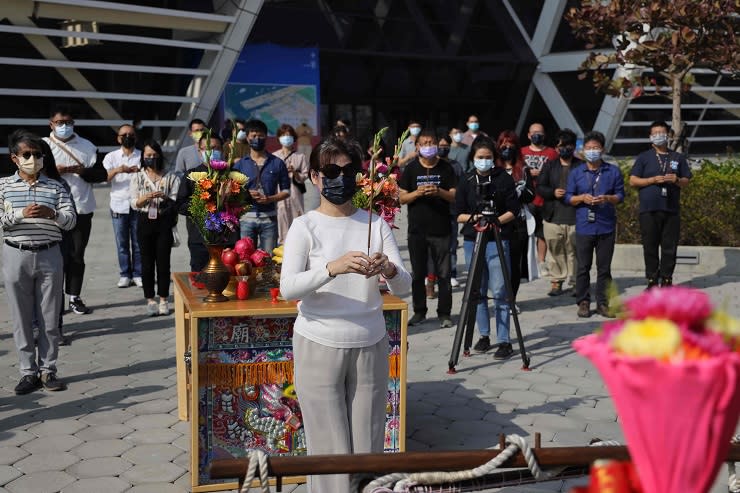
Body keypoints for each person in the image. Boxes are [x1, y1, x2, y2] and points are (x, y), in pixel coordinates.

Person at [280, 136, 411, 493]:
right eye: (331, 171)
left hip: (370, 341)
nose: (340, 177)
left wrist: (388, 269)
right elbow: (288, 288)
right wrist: (331, 268)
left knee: (368, 440)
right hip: (319, 341)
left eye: (348, 170)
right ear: (315, 177)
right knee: (328, 445)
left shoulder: (375, 223)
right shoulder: (304, 226)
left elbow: (404, 288)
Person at [2, 130, 76, 394]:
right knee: (21, 318)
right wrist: (21, 215)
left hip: (49, 254)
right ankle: (27, 372)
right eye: (27, 154)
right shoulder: (3, 186)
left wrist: (53, 214)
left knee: (49, 317)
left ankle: (48, 370)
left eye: (37, 154)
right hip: (15, 254)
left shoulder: (56, 186)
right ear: (15, 158)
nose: (33, 159)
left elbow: (71, 220)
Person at [456, 136, 520, 358]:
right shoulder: (466, 180)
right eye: (480, 157)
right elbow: (458, 214)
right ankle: (483, 335)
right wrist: (475, 219)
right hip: (473, 239)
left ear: (494, 158)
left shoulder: (503, 178)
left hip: (497, 239)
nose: (484, 161)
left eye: (488, 158)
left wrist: (496, 221)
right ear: (473, 158)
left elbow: (514, 209)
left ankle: (504, 340)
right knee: (478, 290)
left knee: (501, 291)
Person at [43, 105, 106, 315]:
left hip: (81, 208)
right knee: (55, 256)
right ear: (51, 124)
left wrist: (82, 171)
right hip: (52, 211)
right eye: (60, 123)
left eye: (68, 122)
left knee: (77, 255)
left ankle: (74, 297)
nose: (64, 126)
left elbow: (101, 174)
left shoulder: (87, 146)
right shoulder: (42, 146)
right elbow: (31, 172)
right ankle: (55, 299)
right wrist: (53, 171)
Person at [399, 130, 457, 328]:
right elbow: (401, 197)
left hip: (441, 229)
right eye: (423, 143)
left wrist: (439, 191)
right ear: (417, 147)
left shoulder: (446, 168)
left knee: (444, 274)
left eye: (431, 142)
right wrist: (417, 193)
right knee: (418, 274)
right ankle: (419, 311)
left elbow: (455, 196)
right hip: (417, 230)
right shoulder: (411, 169)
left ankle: (445, 313)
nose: (428, 146)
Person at [565, 131, 624, 318]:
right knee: (583, 267)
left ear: (603, 149)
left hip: (606, 225)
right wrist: (581, 197)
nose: (592, 151)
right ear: (583, 151)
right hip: (584, 225)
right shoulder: (576, 172)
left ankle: (603, 303)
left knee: (604, 268)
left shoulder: (612, 171)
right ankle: (583, 302)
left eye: (595, 148)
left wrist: (607, 198)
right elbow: (568, 197)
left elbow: (620, 195)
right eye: (588, 148)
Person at [629, 121, 692, 289]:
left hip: (671, 209)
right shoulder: (644, 157)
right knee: (650, 246)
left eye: (662, 132)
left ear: (668, 135)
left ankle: (666, 280)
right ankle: (651, 280)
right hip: (648, 209)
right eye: (655, 133)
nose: (658, 136)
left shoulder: (677, 157)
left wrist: (677, 180)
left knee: (669, 247)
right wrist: (651, 180)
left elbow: (687, 180)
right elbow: (633, 180)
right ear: (650, 137)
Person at [129, 140, 181, 316]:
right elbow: (134, 202)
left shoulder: (171, 176)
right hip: (144, 219)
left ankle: (164, 299)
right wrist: (146, 197)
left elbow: (176, 199)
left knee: (163, 262)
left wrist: (164, 197)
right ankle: (150, 299)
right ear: (143, 157)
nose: (151, 158)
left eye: (154, 155)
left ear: (159, 155)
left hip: (164, 219)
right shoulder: (137, 176)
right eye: (147, 156)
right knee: (146, 262)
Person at [234, 119, 291, 253]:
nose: (257, 138)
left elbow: (286, 191)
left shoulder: (277, 163)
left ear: (266, 137)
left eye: (260, 135)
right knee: (245, 259)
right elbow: (232, 191)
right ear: (247, 138)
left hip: (269, 220)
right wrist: (246, 194)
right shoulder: (240, 164)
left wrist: (270, 199)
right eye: (253, 136)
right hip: (246, 219)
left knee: (268, 260)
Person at [537, 129, 580, 296]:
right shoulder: (549, 165)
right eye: (561, 146)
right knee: (555, 249)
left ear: (574, 147)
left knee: (574, 249)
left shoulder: (581, 165)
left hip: (575, 214)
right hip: (553, 215)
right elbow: (540, 187)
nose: (564, 149)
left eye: (568, 145)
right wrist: (552, 192)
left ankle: (576, 281)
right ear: (556, 147)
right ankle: (557, 281)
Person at [496, 130, 535, 309]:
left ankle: (511, 299)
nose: (507, 148)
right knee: (498, 263)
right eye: (504, 144)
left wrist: (520, 191)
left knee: (514, 263)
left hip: (517, 223)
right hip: (497, 221)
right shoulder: (493, 169)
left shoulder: (523, 170)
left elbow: (531, 195)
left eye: (511, 144)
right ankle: (499, 296)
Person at [103, 124, 143, 288]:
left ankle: (138, 273)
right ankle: (125, 274)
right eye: (124, 134)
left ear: (136, 137)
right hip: (118, 205)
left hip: (138, 204)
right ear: (118, 138)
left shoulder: (141, 155)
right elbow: (105, 177)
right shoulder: (111, 157)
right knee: (122, 244)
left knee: (138, 243)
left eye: (131, 134)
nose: (127, 137)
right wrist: (119, 169)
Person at [520, 122, 559, 278]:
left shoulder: (551, 153)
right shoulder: (521, 152)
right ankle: (525, 262)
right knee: (525, 232)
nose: (537, 135)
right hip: (526, 198)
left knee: (542, 233)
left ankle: (541, 262)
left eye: (540, 133)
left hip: (545, 199)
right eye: (534, 132)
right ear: (529, 135)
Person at [274, 124, 310, 244]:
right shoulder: (274, 156)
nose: (286, 138)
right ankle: (282, 244)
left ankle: (297, 243)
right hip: (279, 192)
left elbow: (305, 175)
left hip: (295, 192)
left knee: (297, 217)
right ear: (279, 137)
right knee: (282, 216)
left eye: (289, 135)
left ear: (293, 138)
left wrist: (295, 172)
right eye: (283, 135)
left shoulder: (300, 156)